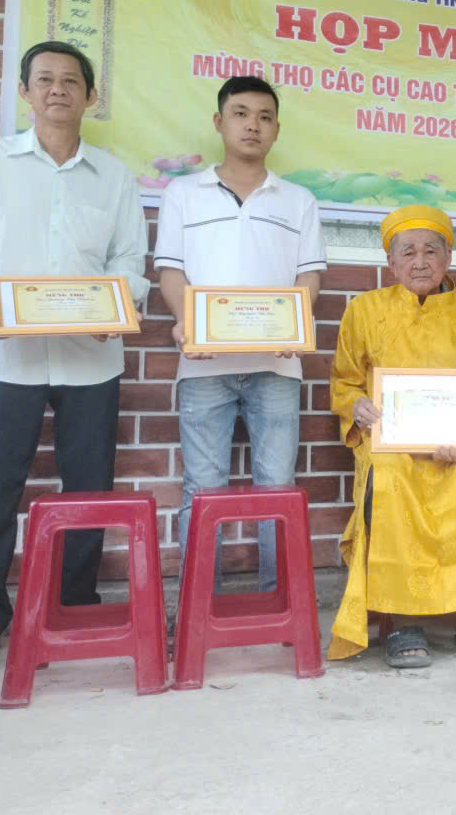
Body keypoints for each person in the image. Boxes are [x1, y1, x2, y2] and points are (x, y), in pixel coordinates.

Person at [0, 41, 149, 669]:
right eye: (45, 79)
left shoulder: (114, 176)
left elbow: (128, 261)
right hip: (6, 355)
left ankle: (73, 607)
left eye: (71, 80)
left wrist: (118, 307)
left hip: (91, 358)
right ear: (25, 91)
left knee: (88, 488)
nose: (58, 89)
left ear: (91, 95)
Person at [329, 205, 456, 667]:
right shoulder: (364, 311)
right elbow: (344, 382)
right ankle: (402, 618)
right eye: (408, 252)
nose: (420, 262)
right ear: (391, 262)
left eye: (431, 251)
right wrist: (356, 405)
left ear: (448, 259)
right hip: (390, 445)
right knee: (390, 477)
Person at [154, 76, 325, 593]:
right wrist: (188, 322)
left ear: (276, 129)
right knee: (203, 489)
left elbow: (308, 278)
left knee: (277, 488)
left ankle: (280, 604)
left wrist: (295, 324)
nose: (253, 125)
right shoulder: (183, 194)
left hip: (278, 365)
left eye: (265, 117)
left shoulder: (299, 200)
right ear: (219, 122)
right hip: (203, 367)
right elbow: (171, 271)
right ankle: (196, 607)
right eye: (241, 113)